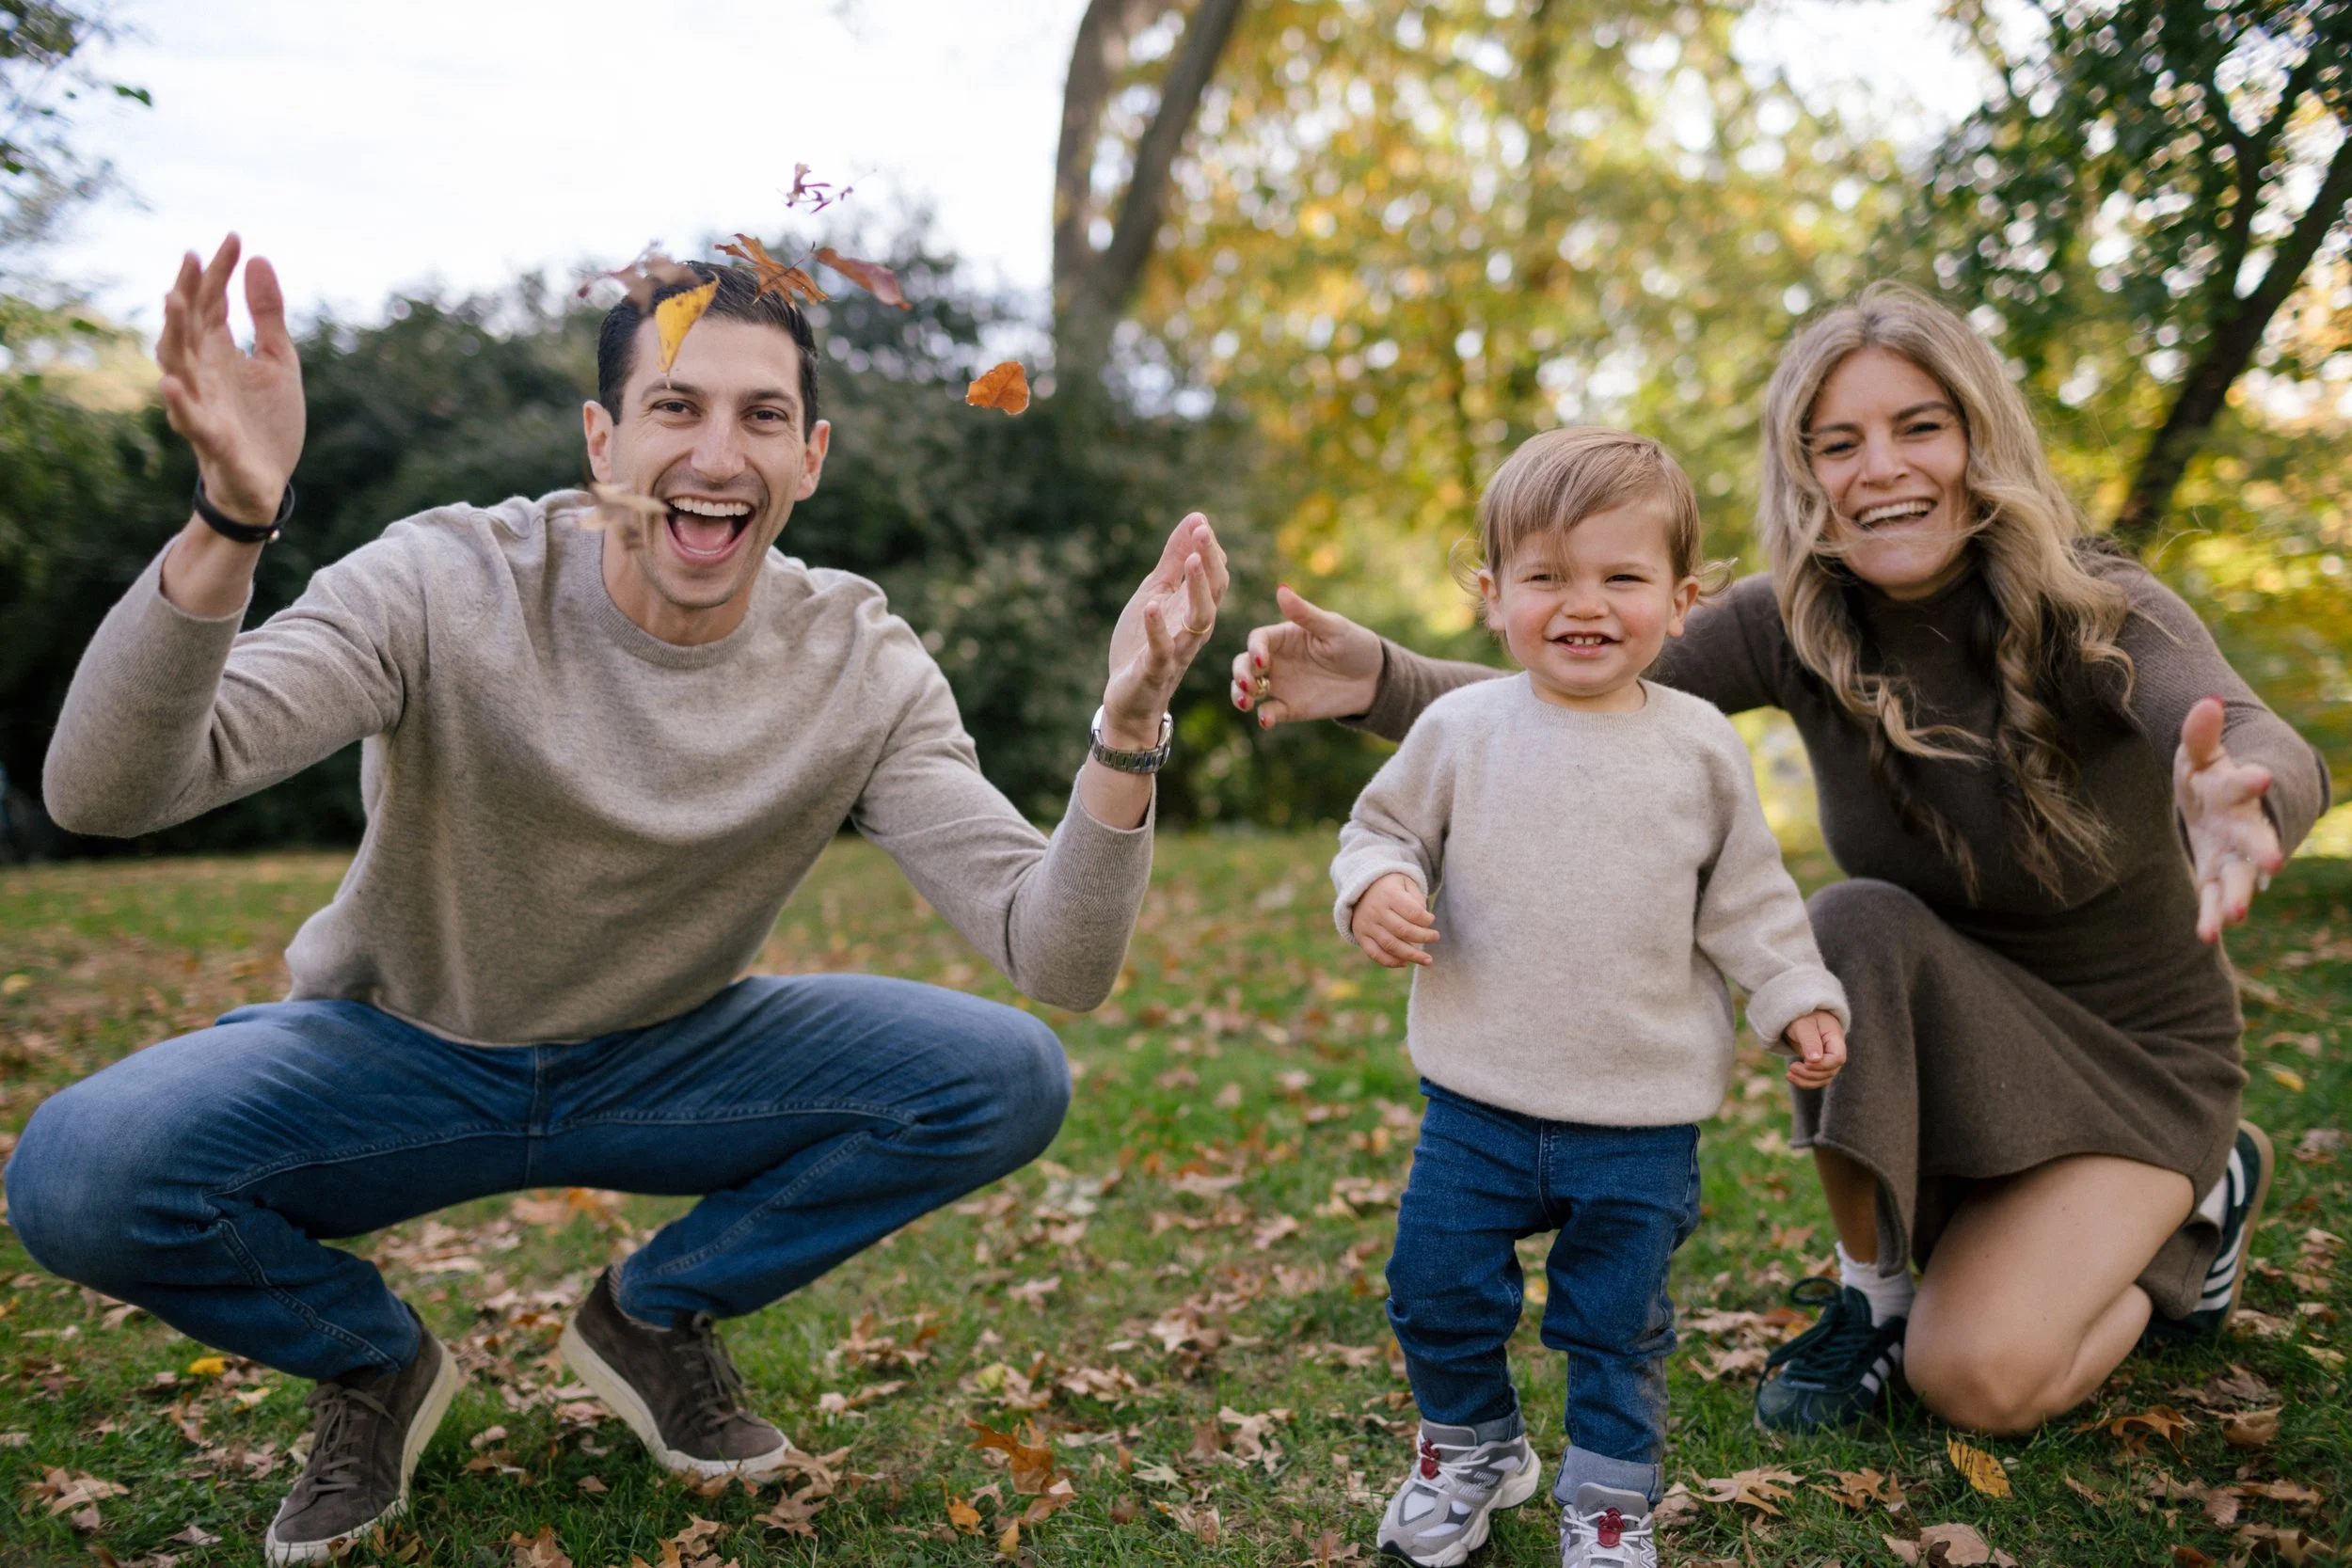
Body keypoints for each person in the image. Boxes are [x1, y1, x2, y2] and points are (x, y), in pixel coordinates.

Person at [4, 236, 1227, 1564]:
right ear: (603, 441)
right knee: (79, 1170)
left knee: (1005, 1071)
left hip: (672, 1058)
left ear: (811, 457)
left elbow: (1056, 954)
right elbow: (104, 791)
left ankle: (652, 1315)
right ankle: (368, 1358)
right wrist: (232, 521)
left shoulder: (858, 662)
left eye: (763, 415)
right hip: (398, 1051)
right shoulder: (448, 580)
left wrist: (1126, 731)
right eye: (675, 406)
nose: (718, 453)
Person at [1237, 282, 2331, 1442]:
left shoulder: (2100, 606)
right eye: (1838, 442)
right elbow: (1563, 696)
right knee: (1848, 921)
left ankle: (2196, 1211)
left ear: (1979, 437)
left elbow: (2251, 735)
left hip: (2137, 1062)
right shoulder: (1794, 618)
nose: (1881, 468)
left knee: (1976, 1378)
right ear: (1803, 470)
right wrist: (1376, 680)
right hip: (1943, 1045)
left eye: (1919, 426)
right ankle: (1872, 1295)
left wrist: (2246, 799)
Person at [1334, 428, 1849, 1568]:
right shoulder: (1461, 729)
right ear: (1492, 593)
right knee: (1433, 1285)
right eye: (1546, 576)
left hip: (1638, 1118)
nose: (1584, 604)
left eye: (1621, 576)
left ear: (1682, 600)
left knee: (1615, 1321)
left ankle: (1610, 1499)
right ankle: (1472, 1446)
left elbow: (1748, 899)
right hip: (1477, 1100)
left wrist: (1793, 990)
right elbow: (1381, 828)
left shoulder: (1698, 747)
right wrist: (1374, 884)